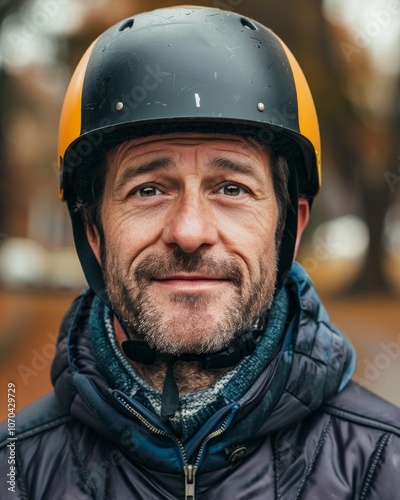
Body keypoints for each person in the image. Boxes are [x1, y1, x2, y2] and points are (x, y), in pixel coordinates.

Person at [1, 5, 399, 499]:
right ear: (93, 229)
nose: (189, 232)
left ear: (289, 228)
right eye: (149, 189)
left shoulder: (385, 468)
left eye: (231, 188)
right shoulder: (13, 474)